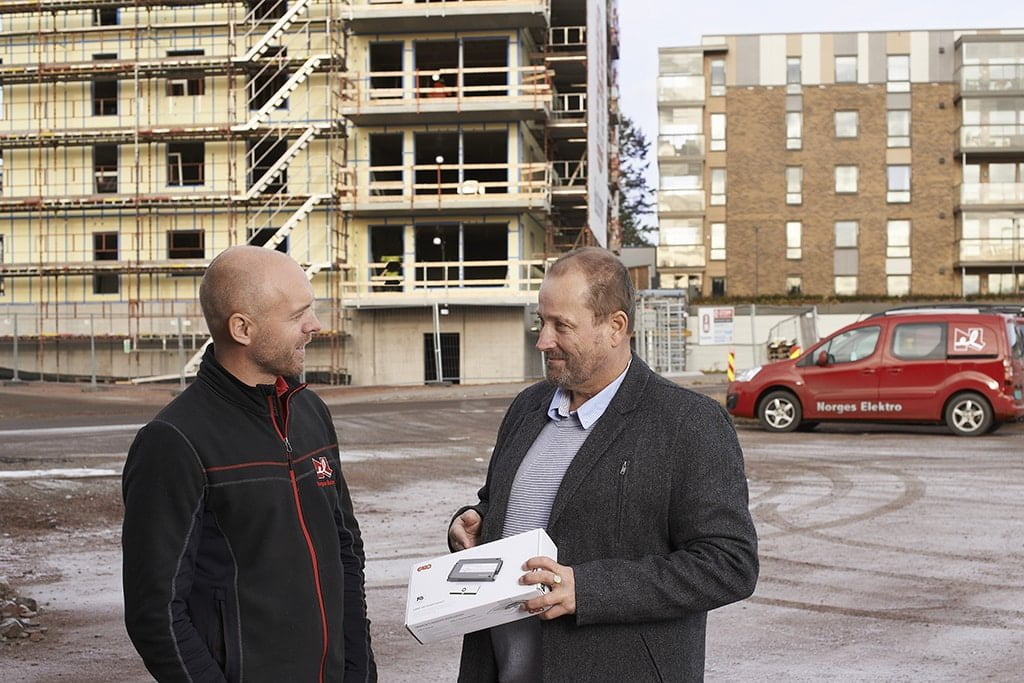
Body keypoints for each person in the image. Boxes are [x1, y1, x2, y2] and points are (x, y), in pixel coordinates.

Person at [448, 247, 758, 682]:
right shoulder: (527, 408)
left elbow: (729, 564)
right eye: (542, 321)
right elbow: (498, 502)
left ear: (615, 327)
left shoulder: (688, 423)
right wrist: (477, 520)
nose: (543, 340)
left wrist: (588, 590)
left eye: (562, 326)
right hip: (502, 668)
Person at [122, 246, 376, 682]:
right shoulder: (173, 441)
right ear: (242, 328)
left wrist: (359, 673)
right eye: (299, 315)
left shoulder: (311, 412)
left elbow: (346, 556)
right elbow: (156, 613)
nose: (314, 326)